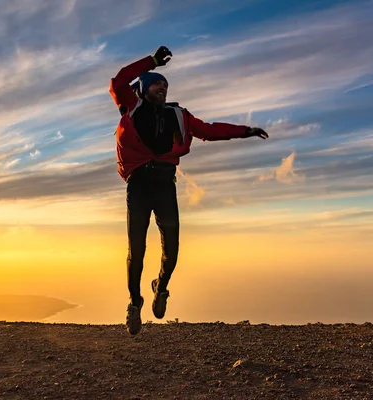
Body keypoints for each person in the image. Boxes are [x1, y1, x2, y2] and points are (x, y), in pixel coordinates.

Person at [109, 46, 269, 335]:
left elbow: (209, 130)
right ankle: (134, 303)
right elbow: (117, 81)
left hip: (164, 185)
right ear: (143, 88)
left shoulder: (179, 115)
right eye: (157, 83)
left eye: (166, 85)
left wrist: (245, 130)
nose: (163, 88)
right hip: (139, 186)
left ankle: (161, 287)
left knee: (172, 248)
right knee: (137, 249)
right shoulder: (131, 107)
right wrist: (153, 61)